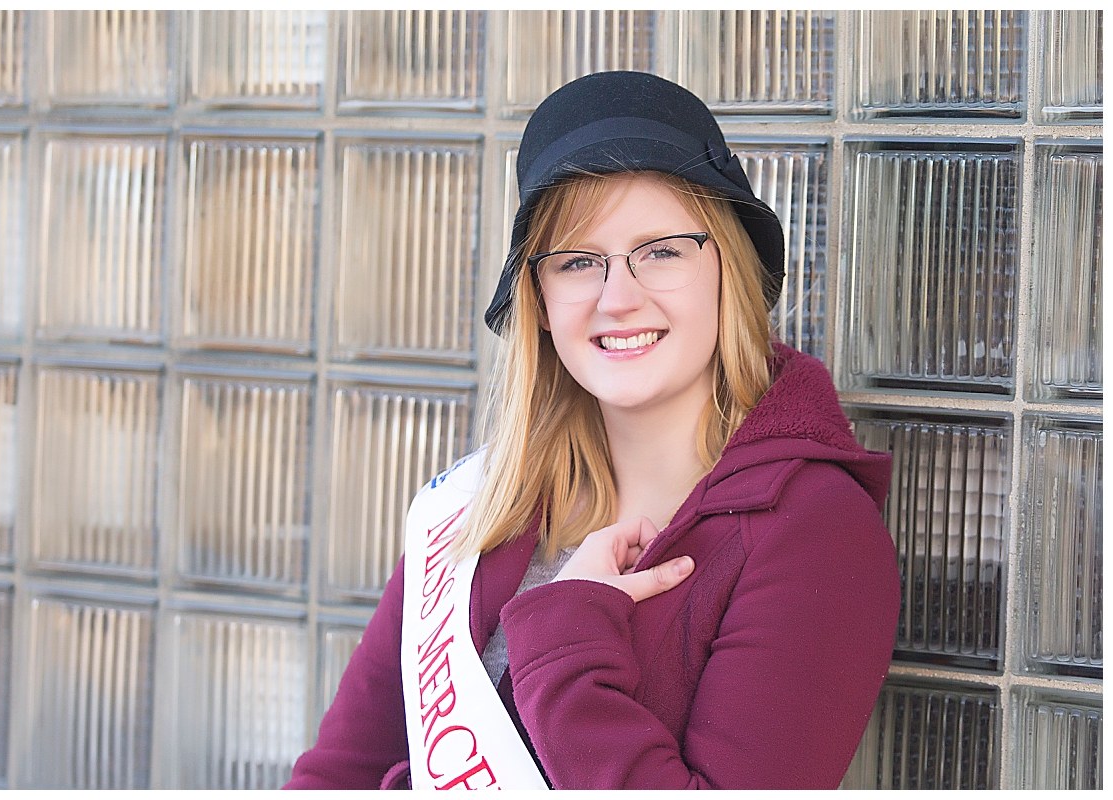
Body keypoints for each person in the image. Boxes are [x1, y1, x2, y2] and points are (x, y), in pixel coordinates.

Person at [285, 71, 900, 790]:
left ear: (727, 270)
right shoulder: (481, 507)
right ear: (540, 302)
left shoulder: (812, 530)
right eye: (577, 261)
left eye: (662, 250)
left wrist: (564, 638)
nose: (617, 297)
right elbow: (338, 775)